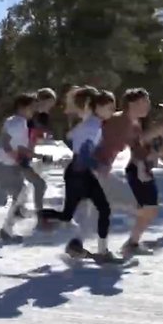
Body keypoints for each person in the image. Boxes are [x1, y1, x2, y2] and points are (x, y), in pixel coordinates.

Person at [95, 88, 163, 255]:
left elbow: (139, 147)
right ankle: (121, 246)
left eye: (148, 102)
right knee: (141, 208)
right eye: (144, 102)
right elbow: (142, 143)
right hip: (95, 169)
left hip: (111, 170)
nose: (148, 106)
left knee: (147, 208)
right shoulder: (118, 120)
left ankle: (124, 244)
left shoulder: (136, 124)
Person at [37, 87, 120, 261]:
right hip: (79, 174)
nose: (113, 111)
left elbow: (69, 137)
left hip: (78, 172)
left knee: (79, 213)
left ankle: (44, 216)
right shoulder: (93, 126)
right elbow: (84, 152)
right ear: (97, 107)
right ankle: (41, 215)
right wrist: (99, 165)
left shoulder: (90, 122)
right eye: (110, 108)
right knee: (98, 210)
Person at [0, 92, 40, 241]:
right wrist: (16, 157)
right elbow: (5, 142)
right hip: (4, 165)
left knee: (21, 192)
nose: (34, 110)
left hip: (7, 165)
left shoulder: (16, 121)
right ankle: (7, 229)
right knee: (21, 192)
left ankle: (13, 219)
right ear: (22, 107)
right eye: (32, 107)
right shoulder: (17, 123)